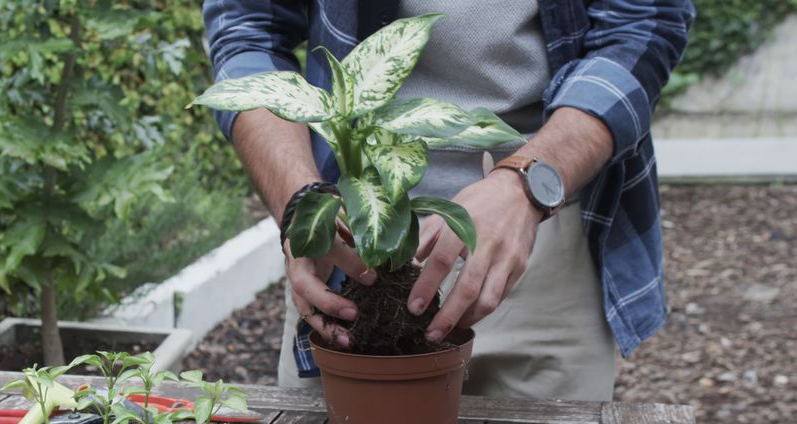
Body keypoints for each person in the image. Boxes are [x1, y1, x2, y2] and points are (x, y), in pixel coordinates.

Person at [202, 1, 694, 401]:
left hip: (541, 231)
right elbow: (249, 29)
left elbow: (641, 29)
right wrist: (301, 202)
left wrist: (527, 183)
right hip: (347, 243)